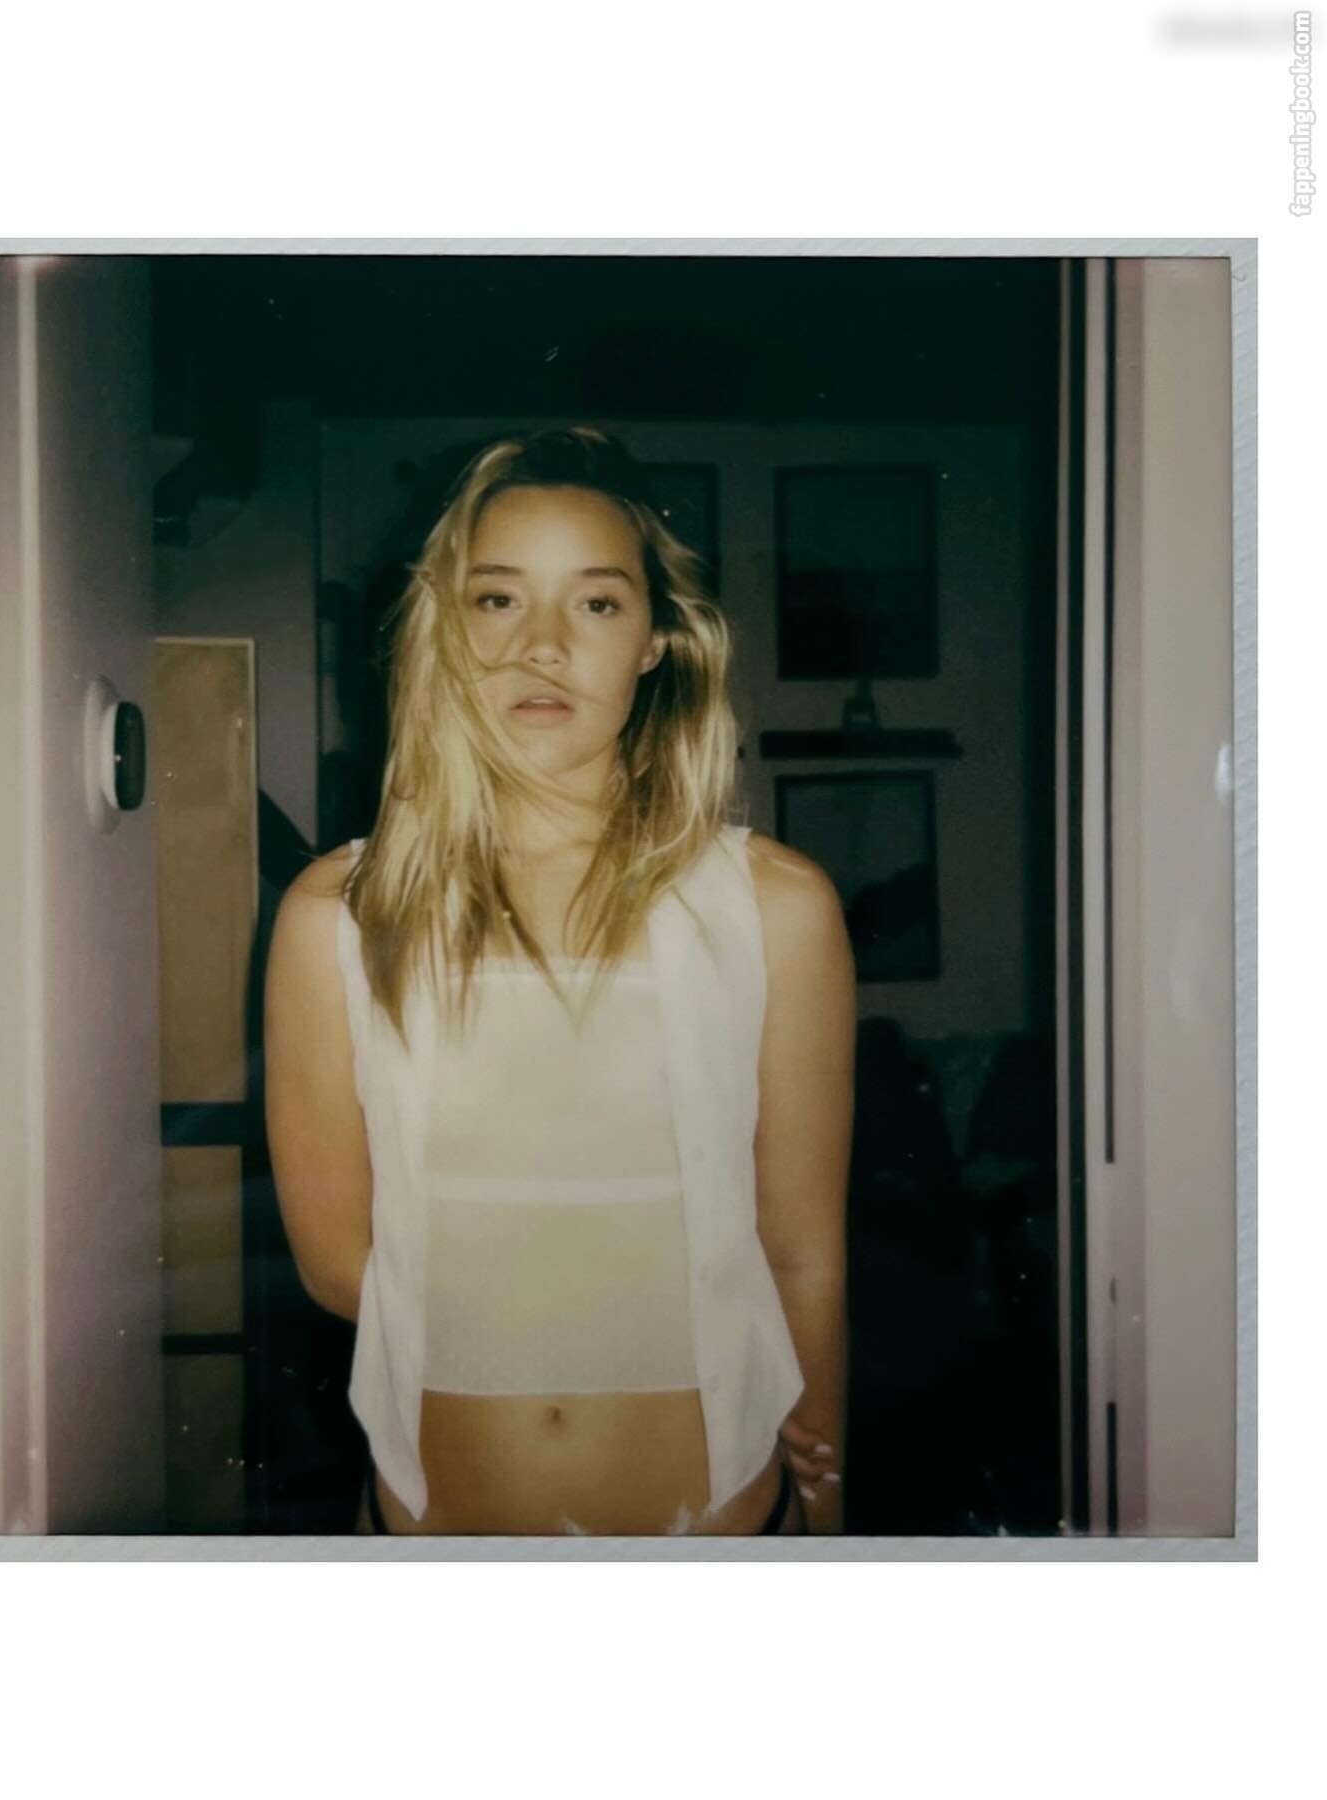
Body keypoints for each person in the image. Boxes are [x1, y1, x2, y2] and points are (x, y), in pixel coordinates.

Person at [264, 426, 856, 1536]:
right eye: (497, 600)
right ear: (445, 631)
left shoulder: (775, 908)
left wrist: (825, 1503)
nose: (542, 646)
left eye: (595, 602)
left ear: (655, 640)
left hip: (721, 1528)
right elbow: (340, 1263)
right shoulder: (336, 917)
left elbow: (803, 1251)